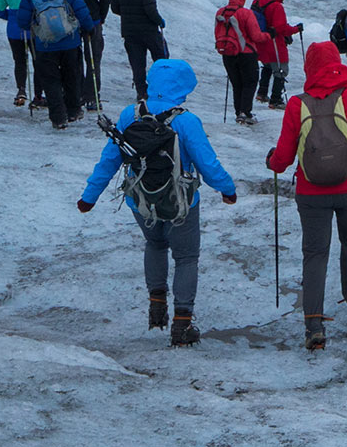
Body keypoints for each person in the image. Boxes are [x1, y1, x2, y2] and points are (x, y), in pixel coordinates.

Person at [76, 58, 237, 346]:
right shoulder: (186, 120)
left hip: (141, 200)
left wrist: (89, 196)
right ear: (183, 85)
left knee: (155, 244)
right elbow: (207, 163)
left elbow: (110, 159)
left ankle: (157, 306)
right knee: (186, 258)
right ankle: (183, 323)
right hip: (180, 202)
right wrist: (227, 189)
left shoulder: (130, 115)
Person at [266, 41, 347, 352]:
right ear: (337, 63)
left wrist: (272, 162)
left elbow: (282, 158)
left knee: (315, 254)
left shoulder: (298, 104)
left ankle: (313, 324)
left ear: (310, 67)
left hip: (311, 192)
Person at [19, 0, 96, 128]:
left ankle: (58, 118)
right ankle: (73, 111)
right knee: (72, 76)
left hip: (45, 46)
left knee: (51, 81)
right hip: (70, 43)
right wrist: (90, 29)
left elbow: (23, 22)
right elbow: (82, 12)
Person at [59, 0, 113, 108]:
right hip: (93, 19)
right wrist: (101, 18)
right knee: (93, 58)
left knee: (72, 58)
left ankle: (74, 92)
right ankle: (91, 96)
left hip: (68, 20)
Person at [113, 0, 168, 106]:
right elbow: (150, 10)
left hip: (130, 32)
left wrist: (128, 15)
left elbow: (114, 8)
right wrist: (159, 21)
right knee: (160, 58)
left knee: (137, 63)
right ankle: (160, 89)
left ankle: (141, 92)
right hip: (148, 31)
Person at [214, 0, 268, 125]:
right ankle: (245, 113)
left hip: (228, 53)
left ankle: (239, 112)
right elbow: (256, 36)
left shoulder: (221, 12)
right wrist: (269, 35)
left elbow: (217, 34)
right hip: (247, 54)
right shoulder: (245, 13)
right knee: (249, 83)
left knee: (237, 84)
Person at [251, 0, 303, 110]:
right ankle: (275, 99)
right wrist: (296, 29)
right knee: (281, 70)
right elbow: (281, 29)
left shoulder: (257, 1)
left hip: (260, 41)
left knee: (267, 65)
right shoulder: (276, 6)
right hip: (274, 43)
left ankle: (262, 93)